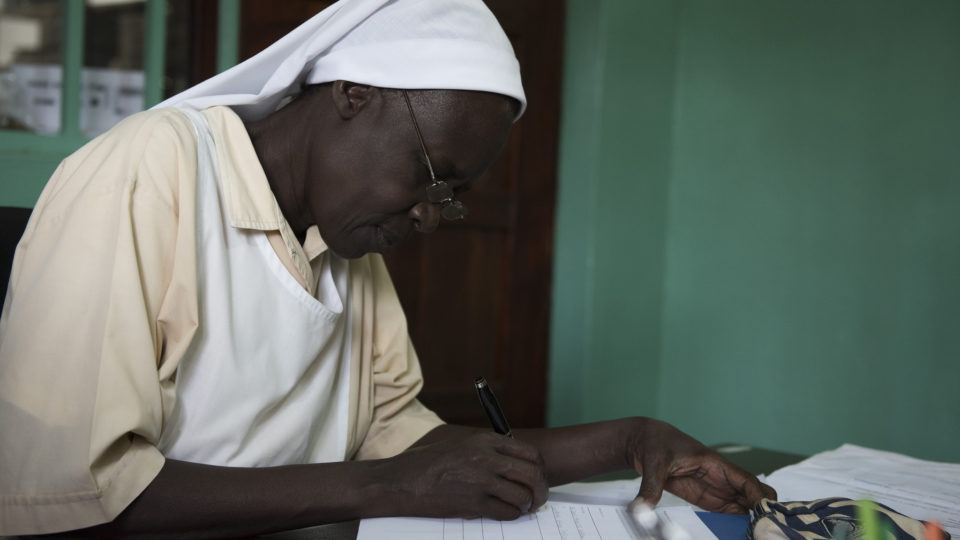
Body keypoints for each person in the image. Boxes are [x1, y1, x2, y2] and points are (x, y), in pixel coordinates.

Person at [0, 0, 776, 537]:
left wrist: (634, 440)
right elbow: (75, 492)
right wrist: (383, 488)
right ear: (352, 95)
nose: (431, 217)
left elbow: (409, 448)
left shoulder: (343, 240)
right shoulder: (150, 170)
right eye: (432, 176)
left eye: (455, 197)